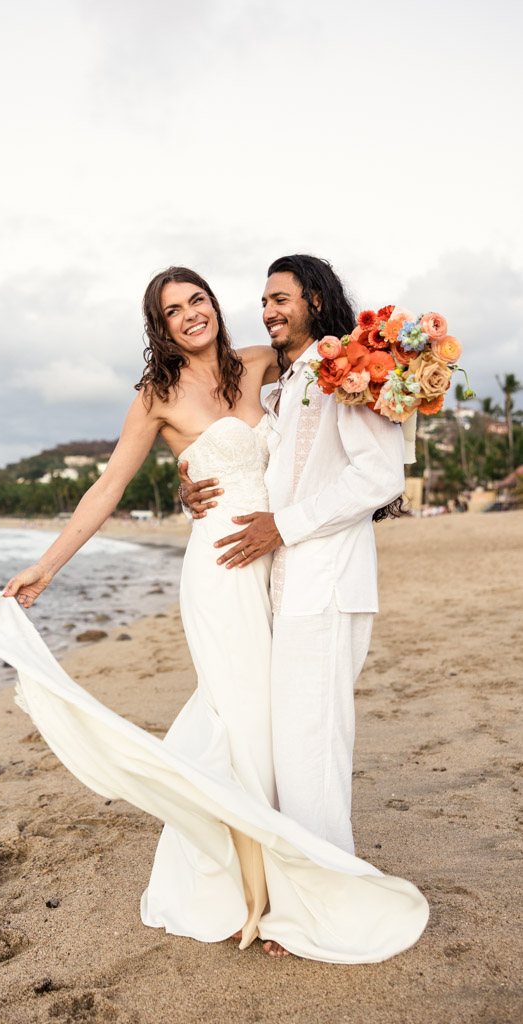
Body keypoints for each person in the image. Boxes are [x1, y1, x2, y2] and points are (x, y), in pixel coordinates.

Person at [0, 265, 428, 963]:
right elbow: (107, 487)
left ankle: (284, 887)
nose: (189, 315)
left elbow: (321, 408)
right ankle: (253, 901)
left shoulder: (263, 361)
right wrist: (45, 567)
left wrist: (401, 362)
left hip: (283, 564)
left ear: (213, 304)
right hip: (221, 568)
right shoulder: (156, 395)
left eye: (197, 300)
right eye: (172, 310)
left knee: (273, 731)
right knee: (239, 721)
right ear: (160, 325)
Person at [180, 255, 407, 875]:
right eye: (263, 302)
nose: (269, 311)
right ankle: (308, 887)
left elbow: (382, 476)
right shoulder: (287, 387)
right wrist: (193, 482)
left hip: (328, 584)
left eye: (280, 299)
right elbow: (263, 472)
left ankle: (328, 896)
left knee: (312, 747)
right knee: (294, 745)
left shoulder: (347, 372)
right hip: (287, 588)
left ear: (314, 298)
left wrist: (284, 526)